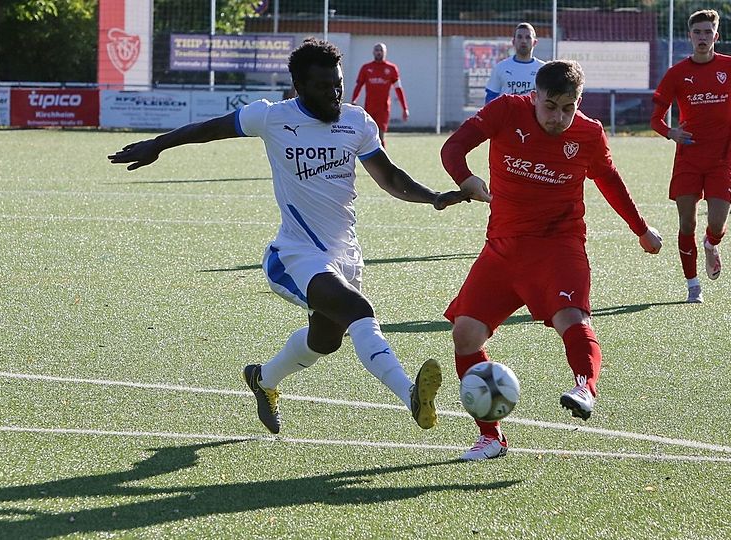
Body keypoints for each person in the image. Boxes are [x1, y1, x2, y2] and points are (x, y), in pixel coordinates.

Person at [109, 38, 470, 435]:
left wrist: (434, 197)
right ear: (298, 85)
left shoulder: (357, 122)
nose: (334, 93)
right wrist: (158, 145)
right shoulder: (271, 117)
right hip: (296, 255)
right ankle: (411, 396)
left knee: (326, 340)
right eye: (323, 87)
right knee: (359, 313)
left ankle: (263, 379)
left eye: (337, 84)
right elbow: (208, 129)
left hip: (346, 254)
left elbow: (391, 177)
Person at [441, 60, 663, 461]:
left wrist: (641, 230)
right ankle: (491, 437)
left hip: (559, 244)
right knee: (465, 335)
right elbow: (453, 147)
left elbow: (609, 181)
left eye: (569, 108)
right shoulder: (506, 110)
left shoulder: (589, 133)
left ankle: (584, 388)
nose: (560, 117)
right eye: (551, 106)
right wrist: (465, 179)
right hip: (503, 248)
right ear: (534, 95)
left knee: (570, 318)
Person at [650, 9, 731, 304]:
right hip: (688, 158)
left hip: (722, 158)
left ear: (716, 36)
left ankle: (711, 244)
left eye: (707, 32)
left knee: (717, 223)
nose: (702, 37)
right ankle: (693, 285)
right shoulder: (677, 73)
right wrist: (670, 132)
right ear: (690, 36)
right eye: (697, 32)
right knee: (686, 222)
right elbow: (656, 119)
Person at [350, 42, 409, 146]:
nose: (379, 52)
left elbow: (398, 89)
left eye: (381, 50)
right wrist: (354, 100)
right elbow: (359, 85)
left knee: (380, 136)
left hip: (383, 108)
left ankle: (382, 160)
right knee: (368, 136)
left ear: (385, 52)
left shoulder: (391, 69)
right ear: (373, 52)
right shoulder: (366, 68)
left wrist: (405, 108)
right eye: (377, 50)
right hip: (370, 107)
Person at [485, 22, 546, 103]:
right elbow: (490, 98)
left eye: (528, 37)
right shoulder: (501, 67)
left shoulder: (543, 69)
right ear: (513, 41)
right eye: (519, 37)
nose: (523, 41)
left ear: (535, 42)